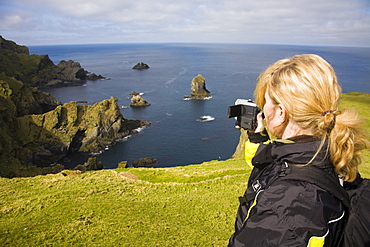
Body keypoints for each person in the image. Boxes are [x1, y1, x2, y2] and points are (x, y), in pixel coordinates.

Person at [228, 54, 369, 247]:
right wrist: (257, 137)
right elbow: (277, 167)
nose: (262, 108)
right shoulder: (333, 156)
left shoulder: (284, 209)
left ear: (280, 113)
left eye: (266, 101)